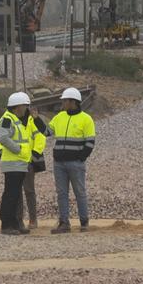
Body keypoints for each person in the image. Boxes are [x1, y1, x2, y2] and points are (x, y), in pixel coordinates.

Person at [48, 87, 96, 233]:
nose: (62, 103)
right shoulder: (59, 117)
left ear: (73, 102)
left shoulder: (86, 119)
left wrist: (80, 158)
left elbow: (90, 142)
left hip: (76, 163)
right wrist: (36, 118)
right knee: (61, 193)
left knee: (79, 192)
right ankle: (64, 223)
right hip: (59, 163)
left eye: (64, 100)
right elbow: (46, 132)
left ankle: (84, 222)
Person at [0, 92, 34, 236]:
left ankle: (15, 223)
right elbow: (3, 138)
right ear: (17, 106)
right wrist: (18, 150)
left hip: (19, 163)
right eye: (25, 105)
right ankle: (6, 225)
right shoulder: (7, 119)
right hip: (13, 163)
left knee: (15, 195)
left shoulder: (15, 119)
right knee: (11, 195)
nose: (26, 108)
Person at [17, 107, 49, 230]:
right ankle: (18, 219)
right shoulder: (13, 120)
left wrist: (34, 154)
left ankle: (33, 219)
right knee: (16, 191)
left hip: (28, 161)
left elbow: (40, 137)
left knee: (29, 191)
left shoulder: (32, 121)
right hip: (16, 160)